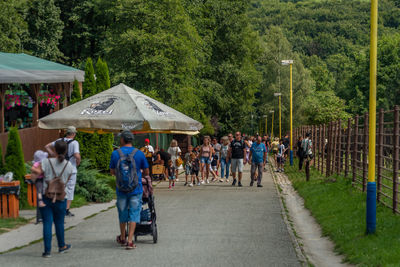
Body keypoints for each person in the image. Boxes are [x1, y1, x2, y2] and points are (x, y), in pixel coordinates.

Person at [31, 140, 75, 258]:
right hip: (61, 197)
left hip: (47, 196)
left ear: (54, 150)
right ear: (65, 151)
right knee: (59, 223)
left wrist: (34, 175)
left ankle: (47, 251)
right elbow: (68, 179)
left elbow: (37, 174)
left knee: (47, 223)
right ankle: (62, 246)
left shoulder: (46, 162)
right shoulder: (69, 165)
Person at [110, 131, 149, 250]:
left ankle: (122, 237)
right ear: (132, 140)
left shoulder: (116, 153)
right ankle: (130, 241)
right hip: (136, 189)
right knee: (134, 213)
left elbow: (112, 172)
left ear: (122, 140)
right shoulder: (139, 153)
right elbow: (146, 171)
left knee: (122, 213)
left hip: (121, 189)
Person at [45, 126, 81, 217]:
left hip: (59, 167)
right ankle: (66, 210)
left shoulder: (59, 140)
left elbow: (47, 146)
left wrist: (52, 154)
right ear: (73, 134)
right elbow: (77, 155)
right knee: (69, 189)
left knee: (58, 186)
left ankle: (56, 207)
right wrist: (78, 162)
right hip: (71, 169)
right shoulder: (75, 143)